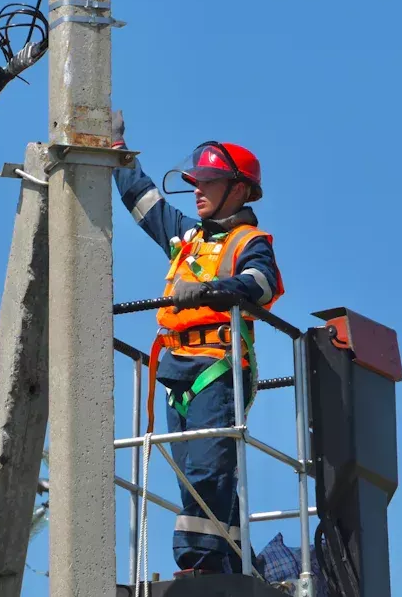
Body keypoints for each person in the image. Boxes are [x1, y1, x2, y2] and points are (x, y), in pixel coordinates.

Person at [110, 110, 285, 576]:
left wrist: (211, 289)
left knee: (207, 469)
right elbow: (144, 202)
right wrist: (116, 150)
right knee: (194, 475)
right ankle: (228, 561)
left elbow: (261, 284)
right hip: (174, 370)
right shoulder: (187, 238)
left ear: (239, 190)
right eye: (195, 180)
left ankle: (201, 567)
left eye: (208, 181)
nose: (197, 189)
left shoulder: (251, 242)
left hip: (217, 367)